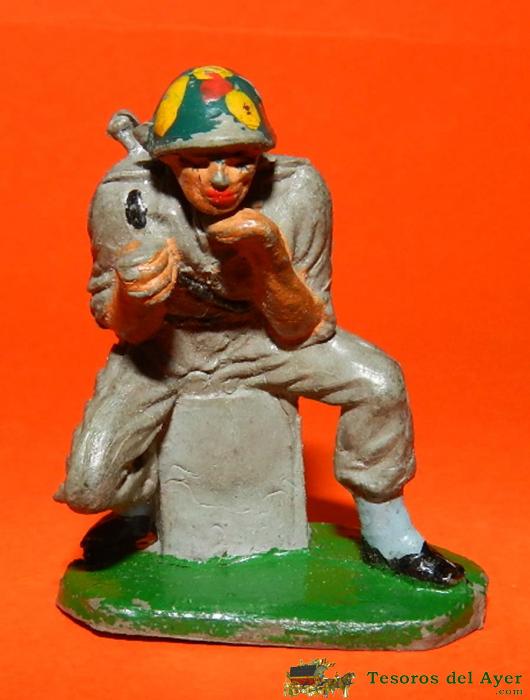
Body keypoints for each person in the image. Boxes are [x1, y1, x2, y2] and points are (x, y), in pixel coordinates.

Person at [55, 65, 464, 585]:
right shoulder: (127, 196)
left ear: (261, 156)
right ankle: (139, 507)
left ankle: (388, 530)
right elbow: (125, 330)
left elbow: (305, 330)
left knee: (379, 383)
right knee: (88, 485)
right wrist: (135, 297)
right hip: (166, 348)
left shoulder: (295, 191)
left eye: (240, 160)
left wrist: (270, 259)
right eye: (198, 162)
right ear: (168, 161)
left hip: (264, 342)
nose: (220, 179)